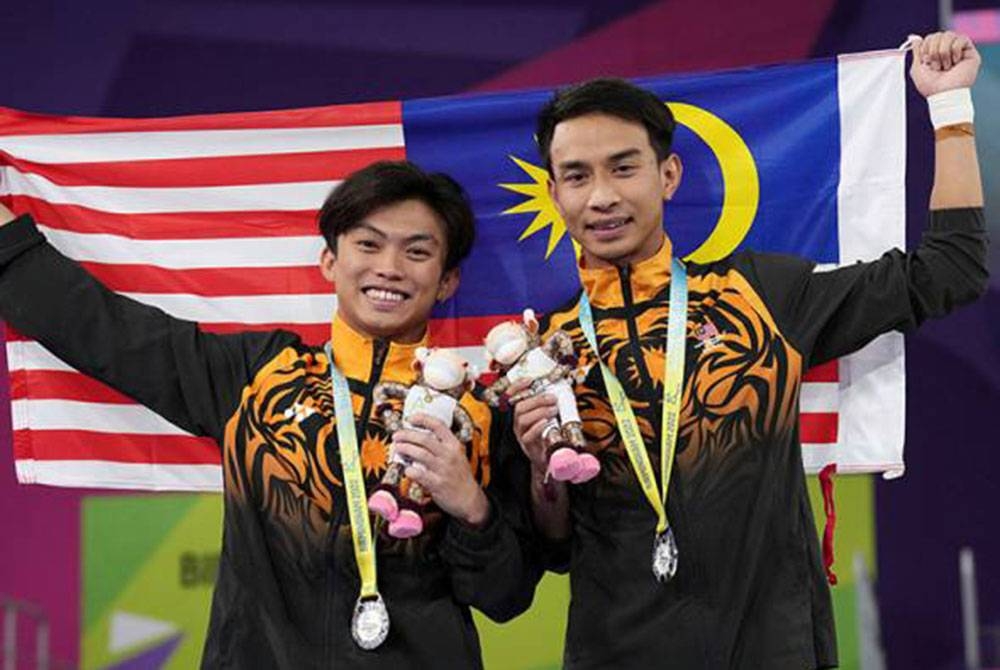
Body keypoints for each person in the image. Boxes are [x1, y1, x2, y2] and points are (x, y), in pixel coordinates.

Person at [511, 31, 989, 668]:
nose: (602, 196)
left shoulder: (761, 293)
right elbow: (552, 546)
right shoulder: (545, 354)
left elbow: (948, 272)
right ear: (554, 194)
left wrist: (950, 108)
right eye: (577, 176)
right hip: (616, 652)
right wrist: (544, 479)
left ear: (669, 175)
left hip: (772, 648)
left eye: (624, 167)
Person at [0, 161, 538, 668]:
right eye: (368, 245)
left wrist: (472, 508)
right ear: (330, 261)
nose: (389, 268)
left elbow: (505, 597)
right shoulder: (258, 376)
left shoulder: (479, 414)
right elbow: (106, 331)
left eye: (417, 252)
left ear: (447, 281)